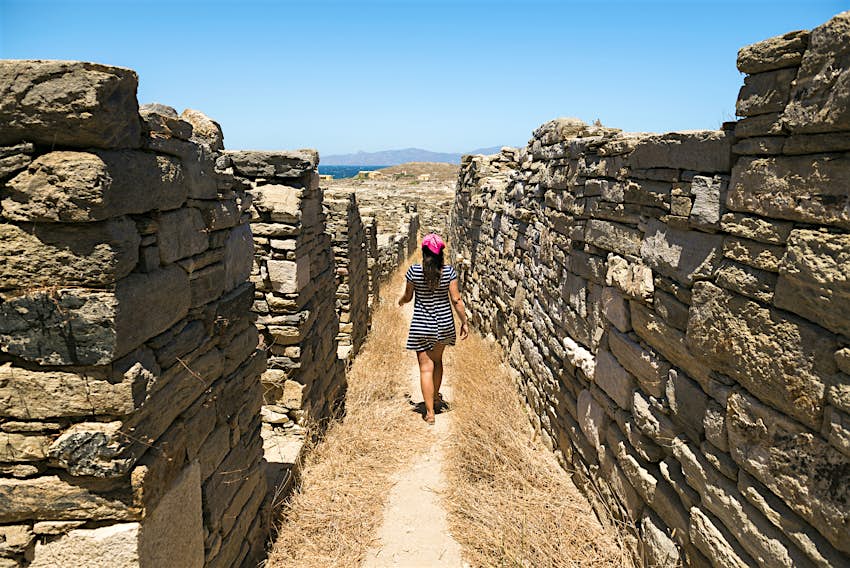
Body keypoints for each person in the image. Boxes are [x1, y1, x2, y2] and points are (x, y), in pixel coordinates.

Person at [398, 233, 469, 425]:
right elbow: (456, 299)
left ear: (424, 252)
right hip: (444, 324)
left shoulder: (414, 271)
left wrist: (401, 301)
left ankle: (429, 413)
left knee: (425, 368)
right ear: (441, 254)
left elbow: (408, 296)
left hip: (422, 325)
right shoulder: (449, 272)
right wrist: (464, 321)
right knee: (437, 361)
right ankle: (436, 399)